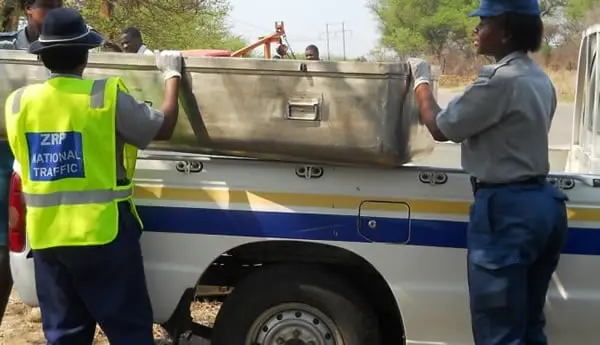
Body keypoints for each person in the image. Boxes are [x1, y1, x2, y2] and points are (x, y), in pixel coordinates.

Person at [4, 7, 183, 345]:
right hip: (104, 237)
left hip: (48, 242)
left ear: (42, 58)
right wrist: (172, 76)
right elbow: (165, 125)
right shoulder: (105, 97)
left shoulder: (17, 104)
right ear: (86, 55)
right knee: (130, 334)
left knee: (64, 337)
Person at [407, 1, 569, 344]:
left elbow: (441, 127)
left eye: (483, 23)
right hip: (543, 205)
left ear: (506, 30)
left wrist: (420, 82)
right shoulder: (540, 78)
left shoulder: (500, 81)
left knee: (499, 331)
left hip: (506, 210)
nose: (476, 31)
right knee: (527, 325)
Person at [0, 0, 63, 326]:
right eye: (48, 5)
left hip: (51, 163)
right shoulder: (6, 50)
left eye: (60, 4)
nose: (55, 11)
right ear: (28, 8)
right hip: (5, 164)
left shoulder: (74, 46)